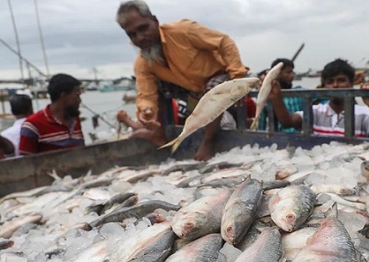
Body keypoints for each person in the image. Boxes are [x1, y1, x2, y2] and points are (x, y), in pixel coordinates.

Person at [116, 0, 249, 161]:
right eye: (132, 34)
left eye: (143, 28)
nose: (140, 37)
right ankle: (159, 134)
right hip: (190, 91)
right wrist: (147, 111)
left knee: (212, 90)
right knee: (155, 92)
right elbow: (146, 94)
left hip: (217, 78)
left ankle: (208, 142)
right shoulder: (142, 62)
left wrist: (238, 78)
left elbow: (224, 42)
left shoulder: (183, 30)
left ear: (155, 21)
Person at [267, 59, 369, 139]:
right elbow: (288, 122)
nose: (335, 85)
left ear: (351, 83)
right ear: (324, 85)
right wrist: (276, 98)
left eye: (341, 80)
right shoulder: (315, 111)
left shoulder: (364, 113)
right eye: (330, 81)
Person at [19, 74, 85, 155]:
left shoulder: (74, 120)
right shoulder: (33, 125)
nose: (79, 101)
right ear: (63, 95)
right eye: (77, 96)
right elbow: (25, 162)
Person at [256, 58, 304, 133]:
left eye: (292, 72)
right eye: (288, 72)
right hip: (278, 140)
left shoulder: (300, 92)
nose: (291, 76)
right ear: (277, 74)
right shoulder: (266, 98)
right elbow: (261, 126)